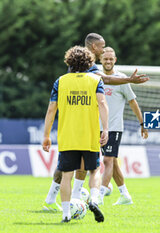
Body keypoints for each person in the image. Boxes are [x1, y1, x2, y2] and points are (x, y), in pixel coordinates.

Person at [42, 33, 149, 212]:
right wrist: (129, 80)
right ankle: (90, 197)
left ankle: (66, 198)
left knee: (77, 163)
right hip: (81, 121)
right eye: (102, 47)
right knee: (87, 165)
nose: (103, 49)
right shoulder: (88, 65)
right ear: (93, 47)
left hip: (78, 121)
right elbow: (105, 80)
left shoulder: (77, 63)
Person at [42, 46, 108, 223]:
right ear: (89, 62)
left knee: (66, 175)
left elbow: (51, 110)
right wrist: (106, 129)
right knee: (94, 170)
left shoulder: (60, 81)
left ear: (69, 61)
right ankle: (93, 200)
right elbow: (102, 104)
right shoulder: (95, 80)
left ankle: (65, 214)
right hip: (89, 135)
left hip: (68, 136)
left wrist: (46, 135)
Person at [90, 47, 148, 205]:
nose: (108, 61)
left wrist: (142, 123)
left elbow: (132, 102)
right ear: (100, 60)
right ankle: (125, 195)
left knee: (108, 161)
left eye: (111, 59)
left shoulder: (122, 79)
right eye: (105, 59)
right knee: (113, 162)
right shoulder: (95, 78)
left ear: (115, 60)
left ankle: (99, 197)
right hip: (96, 127)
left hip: (114, 128)